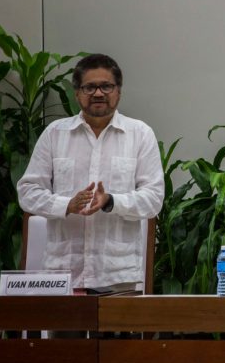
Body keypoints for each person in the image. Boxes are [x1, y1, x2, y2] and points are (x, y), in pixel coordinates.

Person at [17, 54, 164, 291]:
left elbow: (153, 199)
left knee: (120, 327)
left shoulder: (140, 134)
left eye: (106, 86)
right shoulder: (55, 134)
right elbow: (27, 193)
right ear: (77, 93)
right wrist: (67, 205)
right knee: (65, 330)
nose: (98, 93)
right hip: (64, 272)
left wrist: (110, 201)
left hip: (118, 273)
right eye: (89, 87)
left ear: (119, 91)